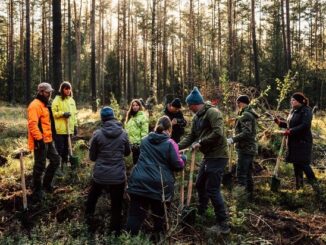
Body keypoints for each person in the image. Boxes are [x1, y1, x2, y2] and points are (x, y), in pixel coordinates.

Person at [178, 87, 230, 234]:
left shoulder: (212, 112)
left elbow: (218, 133)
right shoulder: (196, 118)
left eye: (189, 105)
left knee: (213, 189)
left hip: (218, 155)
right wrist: (175, 146)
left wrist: (201, 142)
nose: (188, 108)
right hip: (208, 156)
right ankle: (202, 211)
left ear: (194, 104)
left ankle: (223, 224)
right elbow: (191, 137)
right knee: (200, 184)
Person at [126, 116, 186, 236]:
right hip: (160, 185)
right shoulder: (170, 143)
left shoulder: (144, 140)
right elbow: (177, 165)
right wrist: (183, 158)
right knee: (160, 218)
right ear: (169, 129)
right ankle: (158, 240)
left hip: (139, 181)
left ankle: (129, 240)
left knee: (134, 216)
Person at [85, 107, 131, 234]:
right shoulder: (123, 133)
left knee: (92, 199)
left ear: (102, 119)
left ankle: (87, 226)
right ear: (113, 116)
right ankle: (115, 233)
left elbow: (92, 157)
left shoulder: (97, 134)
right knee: (117, 206)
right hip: (118, 176)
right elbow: (127, 153)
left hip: (100, 175)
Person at [274, 92, 320, 194]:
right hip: (293, 142)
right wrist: (280, 123)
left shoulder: (306, 111)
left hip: (303, 142)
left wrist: (291, 131)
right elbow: (290, 124)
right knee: (296, 165)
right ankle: (299, 188)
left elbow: (305, 125)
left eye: (293, 100)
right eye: (291, 100)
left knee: (304, 164)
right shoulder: (293, 111)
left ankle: (317, 189)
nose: (291, 101)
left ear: (300, 101)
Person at [27, 82, 60, 201]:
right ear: (41, 92)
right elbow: (32, 124)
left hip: (48, 139)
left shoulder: (44, 104)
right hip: (40, 140)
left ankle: (46, 185)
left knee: (56, 160)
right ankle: (37, 191)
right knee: (39, 166)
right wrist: (39, 139)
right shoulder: (35, 105)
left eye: (50, 92)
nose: (50, 94)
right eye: (47, 92)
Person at [226, 95, 258, 199]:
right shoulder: (246, 113)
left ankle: (241, 198)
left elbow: (246, 133)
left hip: (245, 148)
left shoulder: (246, 115)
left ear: (240, 102)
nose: (237, 105)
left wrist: (233, 139)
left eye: (237, 103)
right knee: (247, 173)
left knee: (241, 174)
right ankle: (250, 196)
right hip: (248, 148)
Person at [51, 81, 78, 169]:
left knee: (67, 149)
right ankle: (58, 167)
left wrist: (75, 126)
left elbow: (74, 115)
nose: (68, 90)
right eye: (66, 89)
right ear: (62, 89)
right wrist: (63, 114)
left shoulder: (72, 100)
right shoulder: (57, 99)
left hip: (69, 129)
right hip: (60, 130)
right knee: (60, 149)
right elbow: (54, 113)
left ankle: (65, 164)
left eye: (69, 89)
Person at [125, 99, 149, 165]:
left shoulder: (143, 117)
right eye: (133, 105)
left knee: (137, 164)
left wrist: (141, 145)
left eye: (136, 105)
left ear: (139, 106)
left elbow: (144, 132)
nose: (135, 107)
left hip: (138, 145)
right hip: (130, 145)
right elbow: (127, 130)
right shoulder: (130, 117)